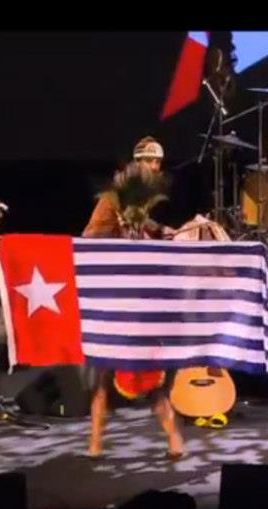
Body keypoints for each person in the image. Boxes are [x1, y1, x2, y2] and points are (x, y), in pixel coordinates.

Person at [84, 137, 183, 460]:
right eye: (151, 162)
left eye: (159, 163)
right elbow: (90, 239)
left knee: (155, 375)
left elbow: (150, 228)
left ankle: (173, 440)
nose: (156, 167)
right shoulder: (112, 201)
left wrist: (164, 232)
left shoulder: (141, 202)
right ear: (138, 162)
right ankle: (96, 443)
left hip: (140, 303)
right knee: (105, 377)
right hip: (115, 301)